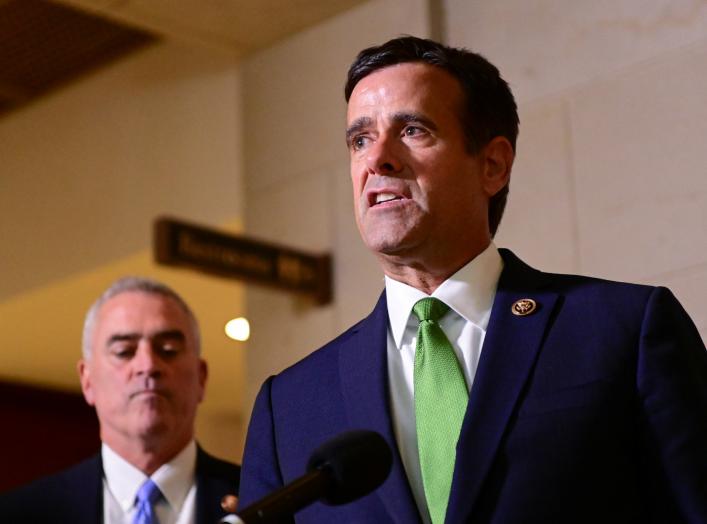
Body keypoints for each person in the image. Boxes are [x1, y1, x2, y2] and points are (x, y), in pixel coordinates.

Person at [237, 36, 707, 523]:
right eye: (360, 140)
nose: (378, 159)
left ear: (493, 164)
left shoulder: (624, 332)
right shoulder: (290, 406)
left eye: (413, 130)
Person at [0, 276, 240, 523]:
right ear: (87, 380)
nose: (147, 365)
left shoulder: (259, 502)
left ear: (201, 377)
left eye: (167, 349)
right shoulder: (21, 514)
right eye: (124, 351)